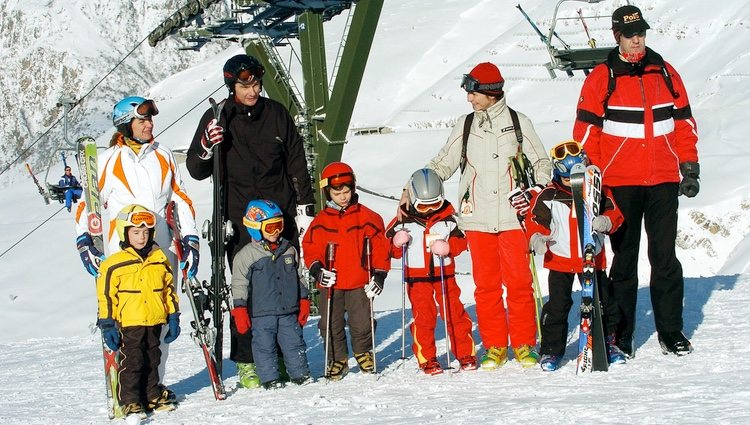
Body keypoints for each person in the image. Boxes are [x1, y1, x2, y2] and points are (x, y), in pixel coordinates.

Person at [398, 62, 552, 369]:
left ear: (490, 93)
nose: (470, 99)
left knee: (520, 284)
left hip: (513, 219)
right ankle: (495, 345)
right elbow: (443, 163)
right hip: (477, 218)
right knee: (486, 285)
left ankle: (523, 342)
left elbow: (542, 163)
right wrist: (410, 188)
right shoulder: (466, 125)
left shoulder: (519, 122)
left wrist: (534, 190)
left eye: (473, 93)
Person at [573, 5, 699, 357]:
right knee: (624, 261)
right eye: (630, 34)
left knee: (665, 259)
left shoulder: (666, 72)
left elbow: (684, 124)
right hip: (620, 183)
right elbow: (586, 133)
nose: (636, 39)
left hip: (662, 181)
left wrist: (689, 168)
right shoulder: (602, 77)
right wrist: (593, 181)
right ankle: (621, 333)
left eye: (641, 32)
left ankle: (671, 331)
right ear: (617, 36)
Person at [186, 54, 316, 387]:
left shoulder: (276, 115)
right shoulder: (218, 117)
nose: (253, 90)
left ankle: (286, 357)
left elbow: (296, 161)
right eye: (246, 85)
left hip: (280, 216)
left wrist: (304, 208)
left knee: (285, 288)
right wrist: (205, 145)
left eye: (256, 84)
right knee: (246, 292)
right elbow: (196, 169)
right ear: (232, 86)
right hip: (240, 219)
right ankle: (248, 360)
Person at [75, 96, 198, 400]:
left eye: (150, 119)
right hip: (124, 252)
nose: (149, 124)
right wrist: (84, 239)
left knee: (161, 317)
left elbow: (180, 197)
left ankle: (153, 386)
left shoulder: (163, 155)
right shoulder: (107, 161)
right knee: (127, 320)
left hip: (161, 248)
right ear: (125, 123)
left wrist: (191, 237)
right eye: (142, 120)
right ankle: (127, 387)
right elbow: (85, 203)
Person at [523, 140, 627, 371]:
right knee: (557, 307)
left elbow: (615, 213)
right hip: (560, 261)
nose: (573, 184)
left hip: (592, 258)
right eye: (568, 179)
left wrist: (607, 221)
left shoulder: (598, 191)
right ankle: (551, 349)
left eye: (577, 178)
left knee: (603, 303)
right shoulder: (549, 195)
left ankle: (608, 343)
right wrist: (536, 237)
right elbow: (534, 220)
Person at [302, 162, 389, 380]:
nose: (343, 196)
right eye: (337, 192)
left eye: (347, 191)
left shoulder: (368, 217)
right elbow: (310, 247)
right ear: (327, 191)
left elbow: (380, 247)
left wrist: (379, 274)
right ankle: (337, 358)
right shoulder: (321, 222)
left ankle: (363, 352)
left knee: (362, 321)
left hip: (359, 280)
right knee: (330, 323)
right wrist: (317, 269)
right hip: (331, 282)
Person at [386, 168, 476, 375]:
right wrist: (396, 242)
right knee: (424, 317)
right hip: (417, 279)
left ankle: (464, 353)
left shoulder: (449, 218)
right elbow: (387, 246)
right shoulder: (403, 220)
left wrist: (449, 247)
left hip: (445, 276)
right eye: (424, 205)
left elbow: (463, 241)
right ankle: (427, 358)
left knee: (454, 313)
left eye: (435, 204)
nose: (429, 210)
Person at [96, 205, 180, 417]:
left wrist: (173, 316)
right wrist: (107, 324)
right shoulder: (114, 264)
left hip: (154, 320)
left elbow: (168, 291)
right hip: (130, 322)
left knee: (153, 358)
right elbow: (106, 297)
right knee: (133, 361)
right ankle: (130, 400)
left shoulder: (160, 260)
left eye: (145, 232)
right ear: (125, 233)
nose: (141, 238)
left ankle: (152, 395)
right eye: (136, 232)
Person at [229, 200, 312, 390]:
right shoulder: (246, 256)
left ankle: (300, 374)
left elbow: (299, 276)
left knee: (294, 343)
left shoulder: (289, 250)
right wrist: (240, 309)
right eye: (271, 227)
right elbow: (239, 283)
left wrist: (304, 299)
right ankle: (269, 378)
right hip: (262, 313)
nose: (276, 232)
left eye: (279, 225)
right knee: (264, 347)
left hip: (287, 311)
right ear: (256, 228)